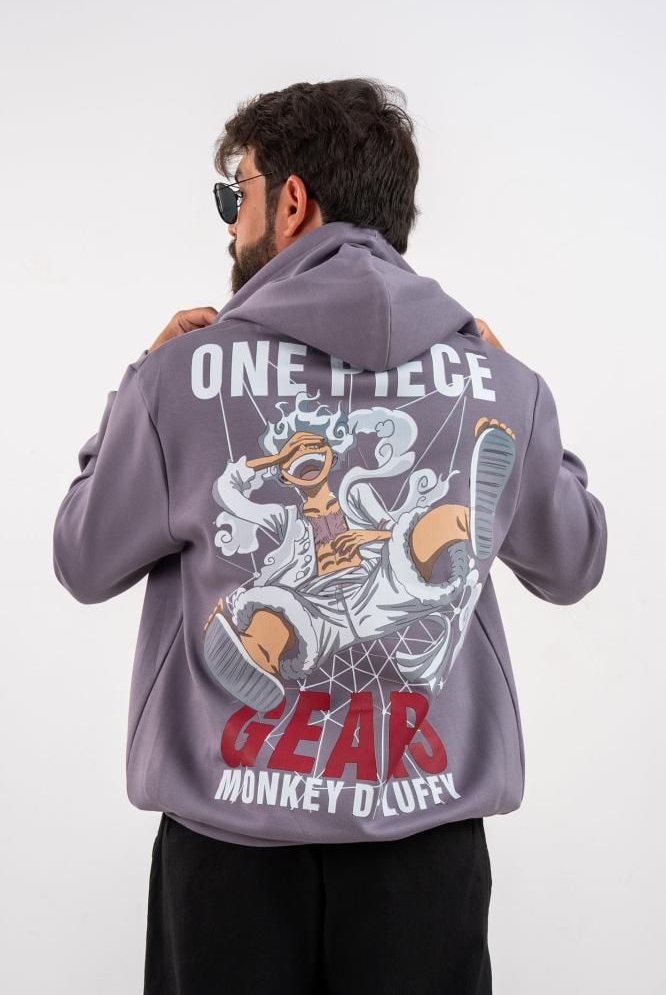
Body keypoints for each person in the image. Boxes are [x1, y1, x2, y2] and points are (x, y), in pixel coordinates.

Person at [52, 78, 608, 995]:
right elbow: (574, 560)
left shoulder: (180, 378)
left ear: (293, 202)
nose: (230, 225)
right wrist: (520, 397)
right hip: (424, 844)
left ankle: (272, 638)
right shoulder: (497, 380)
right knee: (413, 553)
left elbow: (83, 556)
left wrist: (136, 389)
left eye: (236, 195)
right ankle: (441, 536)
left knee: (289, 603)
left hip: (228, 846)